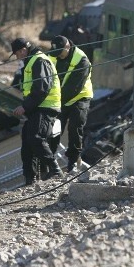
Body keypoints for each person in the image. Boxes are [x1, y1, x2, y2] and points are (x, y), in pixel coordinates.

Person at [10, 38, 63, 185]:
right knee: (27, 144)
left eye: (16, 54)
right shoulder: (31, 61)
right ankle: (30, 178)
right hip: (37, 107)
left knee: (36, 137)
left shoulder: (39, 61)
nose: (17, 57)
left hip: (46, 107)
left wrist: (24, 107)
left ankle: (55, 169)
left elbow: (41, 89)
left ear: (23, 50)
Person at [48, 35, 93, 172]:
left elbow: (73, 88)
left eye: (60, 53)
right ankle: (50, 162)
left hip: (79, 97)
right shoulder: (53, 56)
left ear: (67, 47)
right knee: (54, 130)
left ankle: (72, 161)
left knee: (75, 127)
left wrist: (56, 104)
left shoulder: (81, 60)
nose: (58, 56)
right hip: (60, 99)